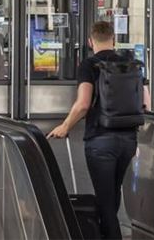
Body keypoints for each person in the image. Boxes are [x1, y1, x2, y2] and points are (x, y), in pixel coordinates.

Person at [48, 21, 148, 240]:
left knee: (105, 201)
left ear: (90, 41)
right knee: (112, 194)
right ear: (114, 39)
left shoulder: (89, 65)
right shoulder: (130, 64)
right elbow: (146, 103)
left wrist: (65, 126)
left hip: (100, 141)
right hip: (128, 140)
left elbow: (83, 104)